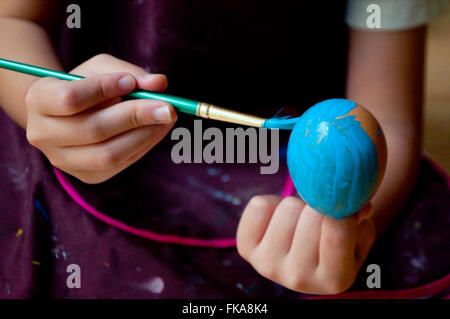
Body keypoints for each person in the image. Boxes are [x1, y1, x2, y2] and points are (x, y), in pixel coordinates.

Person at [0, 0, 448, 298]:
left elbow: (386, 121)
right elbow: (11, 21)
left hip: (290, 181)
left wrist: (344, 231)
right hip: (77, 167)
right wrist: (42, 101)